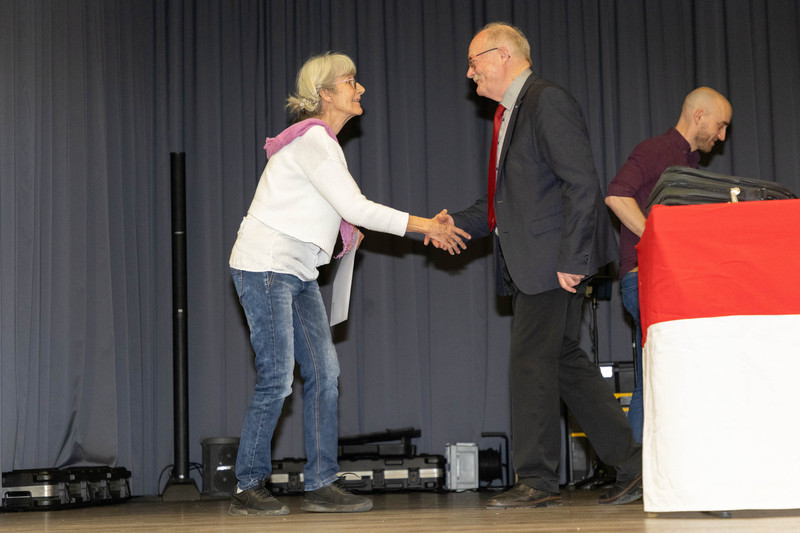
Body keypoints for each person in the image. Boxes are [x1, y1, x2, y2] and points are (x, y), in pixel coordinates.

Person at [228, 52, 470, 516]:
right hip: (266, 266)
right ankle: (247, 485)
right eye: (350, 81)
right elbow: (356, 207)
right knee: (277, 377)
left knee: (326, 374)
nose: (360, 89)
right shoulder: (314, 140)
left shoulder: (322, 145)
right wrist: (427, 226)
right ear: (325, 94)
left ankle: (321, 481)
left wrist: (345, 228)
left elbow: (336, 208)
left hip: (298, 272)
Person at [430, 22, 643, 508]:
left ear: (502, 55)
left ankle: (537, 481)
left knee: (530, 363)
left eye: (474, 62)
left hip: (552, 261)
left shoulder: (545, 101)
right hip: (540, 259)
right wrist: (452, 223)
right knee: (563, 362)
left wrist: (573, 258)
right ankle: (633, 465)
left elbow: (582, 184)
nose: (469, 73)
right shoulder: (513, 112)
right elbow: (505, 204)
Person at [605, 87, 732, 442]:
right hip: (646, 279)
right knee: (657, 379)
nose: (722, 136)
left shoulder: (689, 163)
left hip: (666, 282)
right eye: (721, 125)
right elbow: (616, 196)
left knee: (658, 378)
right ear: (698, 117)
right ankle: (638, 465)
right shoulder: (656, 150)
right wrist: (659, 240)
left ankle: (644, 464)